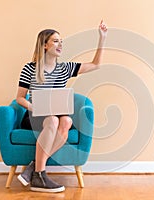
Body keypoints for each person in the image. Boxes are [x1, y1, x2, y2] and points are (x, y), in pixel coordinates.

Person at [15, 20, 107, 193]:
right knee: (52, 121)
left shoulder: (65, 69)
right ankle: (41, 174)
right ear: (44, 45)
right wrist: (36, 108)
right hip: (34, 116)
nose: (60, 44)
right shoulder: (29, 69)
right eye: (56, 41)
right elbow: (19, 98)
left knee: (65, 122)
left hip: (56, 115)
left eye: (61, 41)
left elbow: (96, 65)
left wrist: (102, 39)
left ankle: (34, 170)